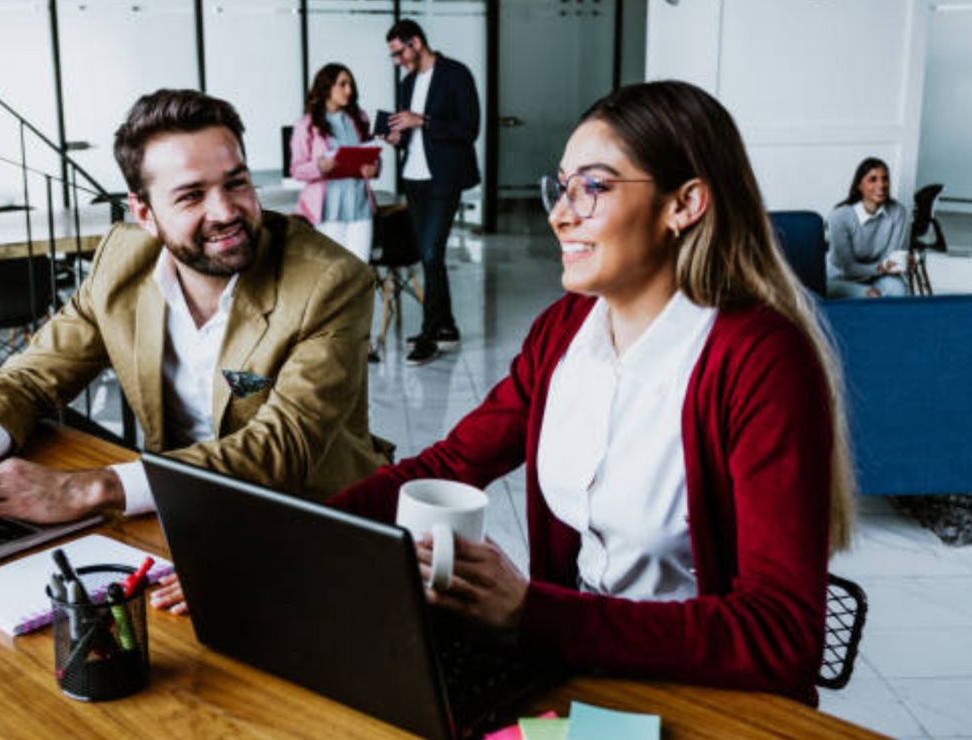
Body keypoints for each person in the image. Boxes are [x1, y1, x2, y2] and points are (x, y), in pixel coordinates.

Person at [331, 80, 856, 706]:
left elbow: (780, 634)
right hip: (584, 669)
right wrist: (301, 536)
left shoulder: (758, 360)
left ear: (684, 203)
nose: (558, 213)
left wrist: (531, 610)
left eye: (595, 187)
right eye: (563, 184)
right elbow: (451, 464)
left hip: (706, 693)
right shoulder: (565, 330)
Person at [0, 90, 387, 606]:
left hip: (308, 525)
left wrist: (86, 489)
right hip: (179, 517)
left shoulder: (331, 282)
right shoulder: (121, 262)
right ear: (144, 212)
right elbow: (33, 375)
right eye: (190, 196)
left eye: (237, 183)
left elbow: (283, 448)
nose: (226, 211)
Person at [384, 19, 480, 366]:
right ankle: (448, 326)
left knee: (430, 254)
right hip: (414, 177)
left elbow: (469, 129)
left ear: (416, 43)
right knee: (430, 257)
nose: (398, 61)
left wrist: (422, 121)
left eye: (399, 53)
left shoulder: (456, 74)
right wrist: (398, 137)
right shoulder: (407, 83)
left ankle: (429, 335)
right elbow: (408, 135)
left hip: (444, 178)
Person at [290, 63, 379, 262]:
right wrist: (319, 166)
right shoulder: (306, 123)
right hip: (328, 210)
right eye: (343, 84)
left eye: (351, 85)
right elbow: (296, 169)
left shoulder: (360, 118)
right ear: (327, 87)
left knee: (359, 270)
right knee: (334, 273)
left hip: (360, 207)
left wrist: (373, 168)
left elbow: (372, 154)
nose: (349, 90)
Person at [827, 157, 910, 298]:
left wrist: (899, 263)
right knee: (871, 296)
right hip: (840, 278)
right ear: (859, 185)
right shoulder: (840, 216)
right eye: (873, 179)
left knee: (899, 290)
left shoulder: (898, 212)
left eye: (885, 179)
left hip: (877, 276)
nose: (881, 185)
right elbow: (848, 268)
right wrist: (882, 267)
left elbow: (891, 258)